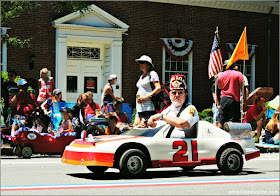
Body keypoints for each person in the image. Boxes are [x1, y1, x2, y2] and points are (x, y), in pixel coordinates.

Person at [134, 55, 161, 127]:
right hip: (140, 106)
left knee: (150, 127)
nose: (140, 64)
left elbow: (158, 88)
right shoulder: (141, 76)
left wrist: (146, 97)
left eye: (142, 62)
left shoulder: (152, 74)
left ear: (148, 65)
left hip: (149, 107)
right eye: (139, 63)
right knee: (138, 126)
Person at [217, 60, 244, 127]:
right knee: (233, 120)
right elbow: (242, 87)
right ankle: (231, 136)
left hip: (224, 99)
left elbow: (219, 87)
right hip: (234, 99)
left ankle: (219, 135)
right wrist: (244, 99)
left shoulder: (220, 75)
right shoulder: (238, 74)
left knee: (221, 120)